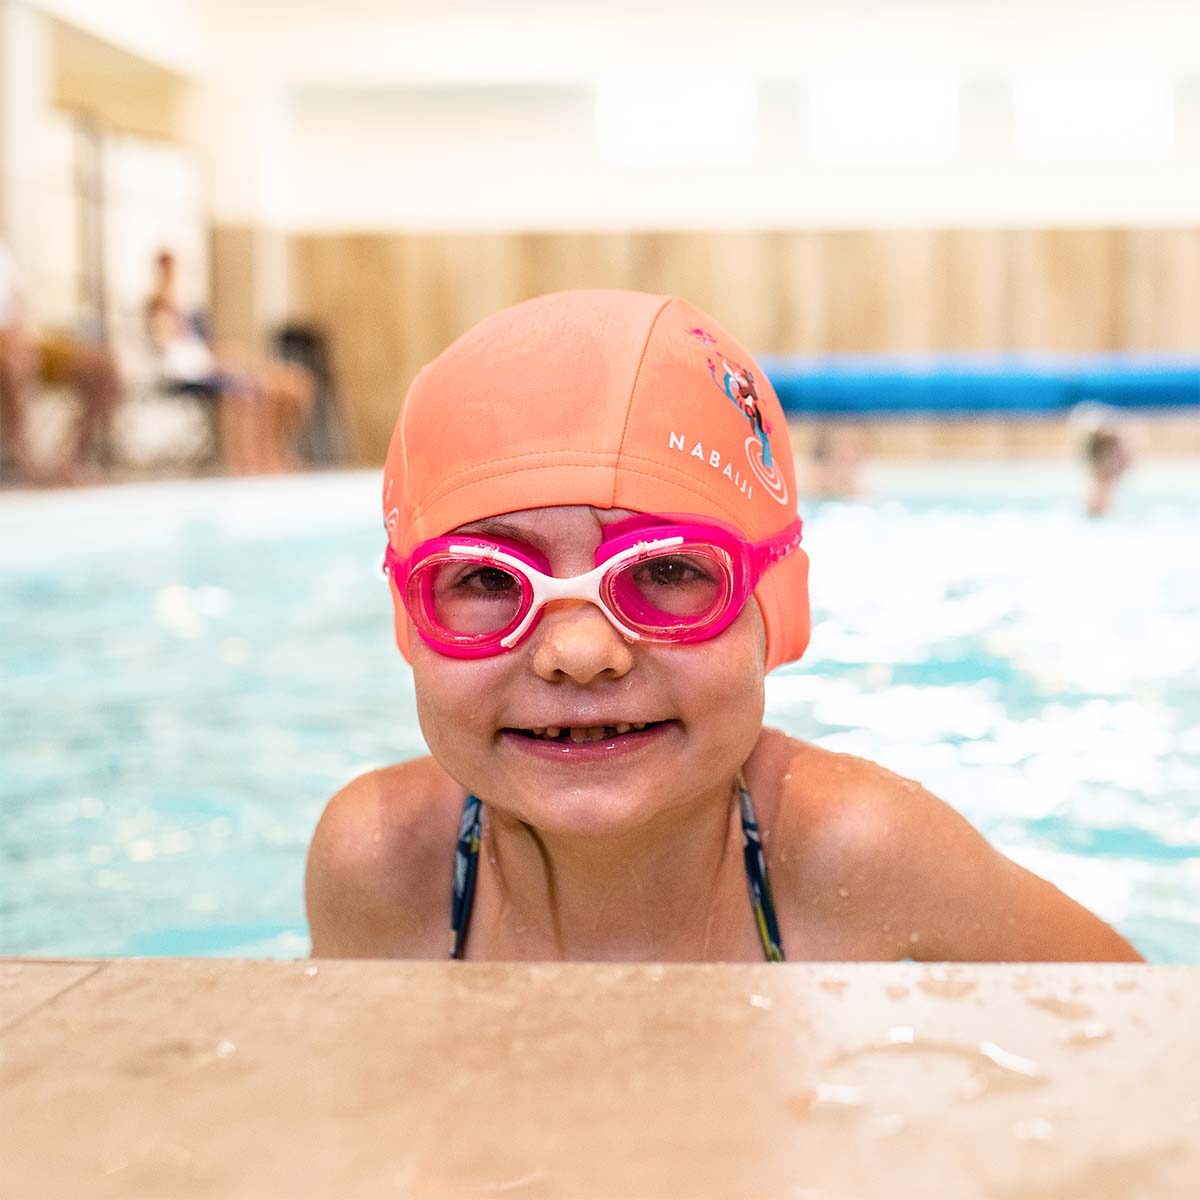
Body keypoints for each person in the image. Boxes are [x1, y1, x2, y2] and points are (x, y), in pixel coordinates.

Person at [306, 290, 1141, 964]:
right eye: (488, 578)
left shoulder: (860, 859)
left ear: (773, 611)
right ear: (410, 624)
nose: (580, 651)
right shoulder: (382, 868)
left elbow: (1154, 1045)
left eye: (667, 571)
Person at [145, 250, 313, 474]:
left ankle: (271, 451)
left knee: (274, 385)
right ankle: (244, 457)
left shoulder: (189, 307)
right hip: (187, 370)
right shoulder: (158, 305)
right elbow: (171, 349)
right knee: (240, 391)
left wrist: (223, 356)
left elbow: (205, 344)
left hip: (204, 363)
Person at [0, 238, 121, 485]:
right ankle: (27, 467)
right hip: (7, 348)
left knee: (102, 366)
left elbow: (20, 305)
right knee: (10, 367)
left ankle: (71, 461)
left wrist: (23, 336)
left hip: (24, 339)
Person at [1084, 425, 1133, 518]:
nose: (1126, 457)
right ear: (1104, 458)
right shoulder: (1097, 504)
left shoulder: (1110, 498)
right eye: (1119, 453)